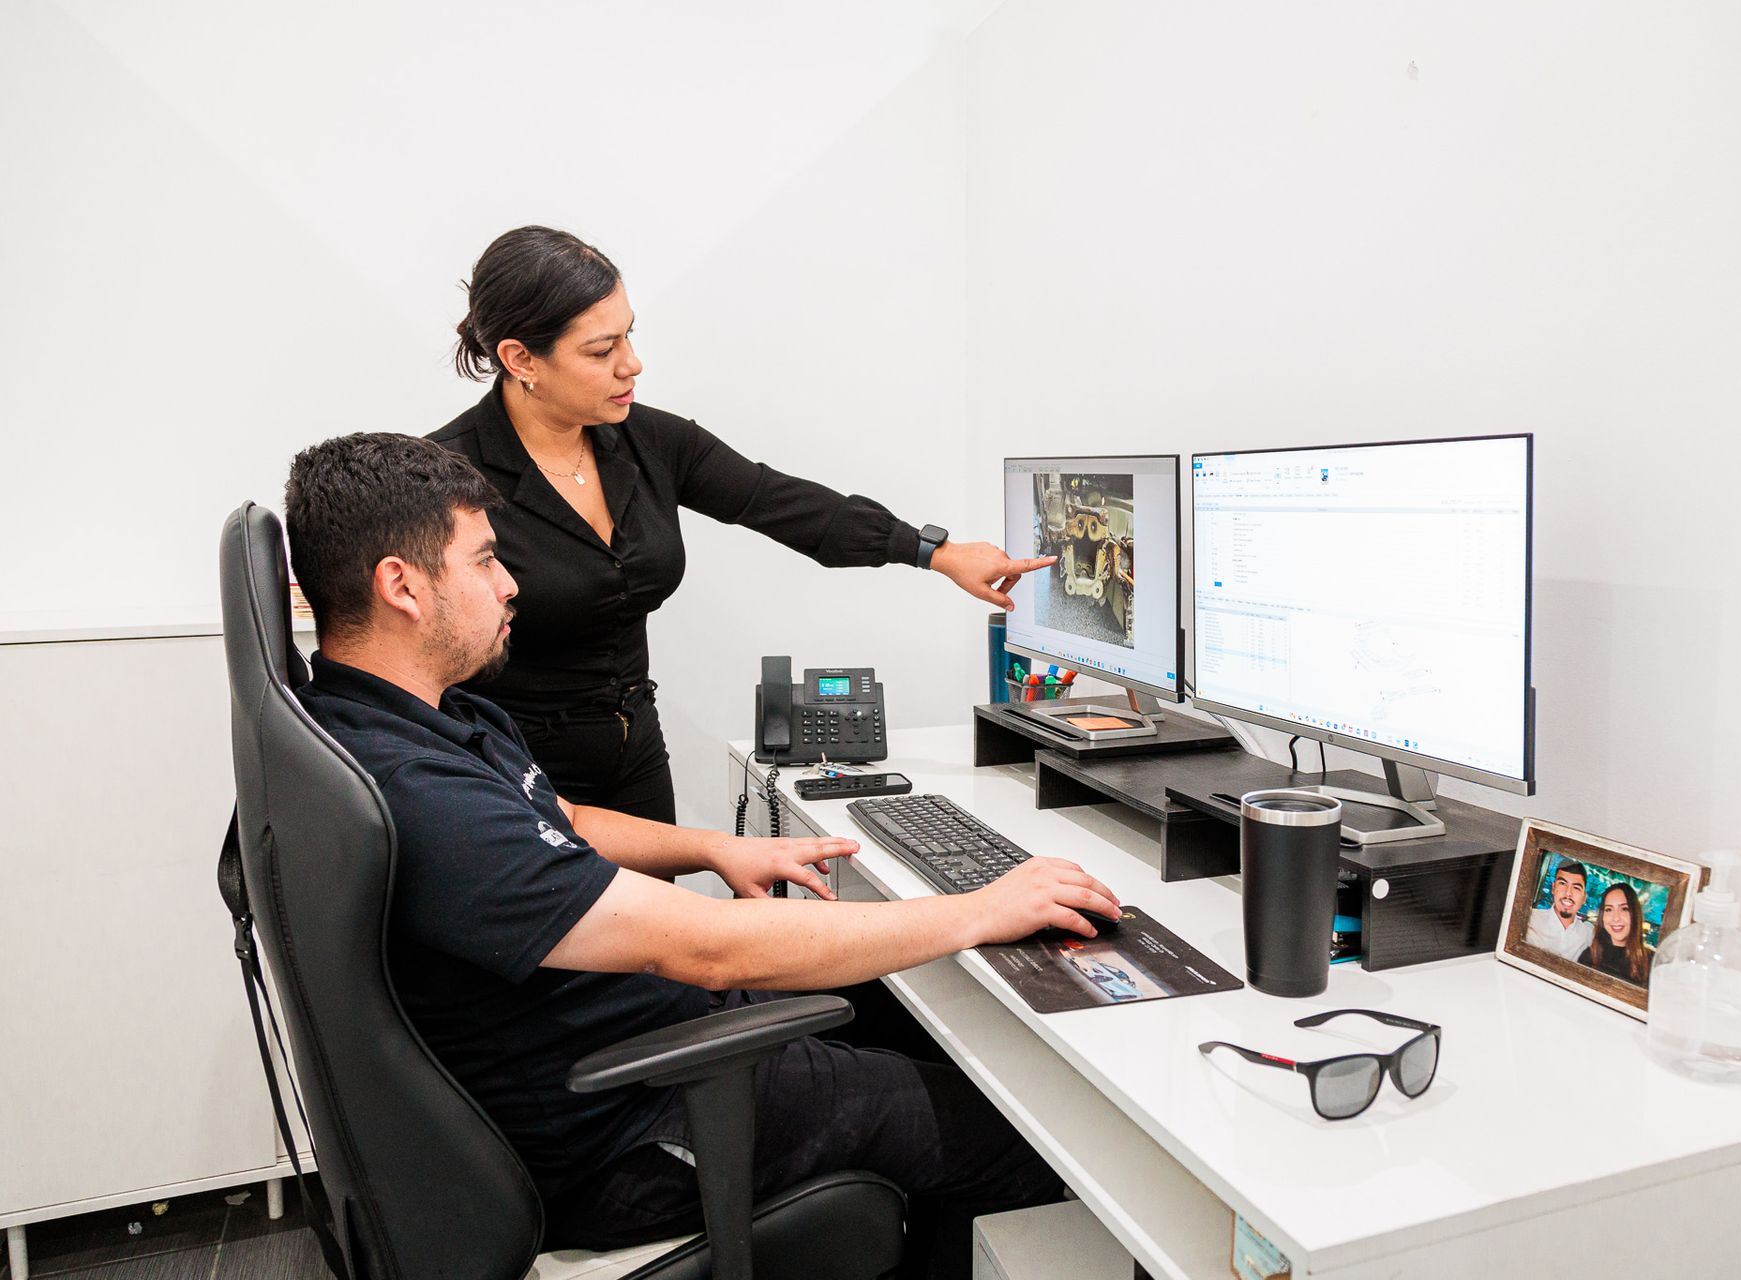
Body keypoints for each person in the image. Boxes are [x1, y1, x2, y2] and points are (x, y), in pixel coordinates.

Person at [283, 432, 1120, 1280]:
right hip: (625, 1133)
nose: (510, 583)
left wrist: (717, 849)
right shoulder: (418, 793)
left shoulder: (414, 720)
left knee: (899, 1014)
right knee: (1012, 1129)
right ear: (402, 586)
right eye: (486, 560)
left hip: (623, 1043)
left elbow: (562, 816)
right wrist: (979, 909)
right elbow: (701, 946)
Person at [428, 225, 1053, 823]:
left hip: (634, 751)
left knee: (658, 932)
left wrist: (934, 553)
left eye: (629, 337)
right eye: (602, 350)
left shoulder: (650, 442)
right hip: (510, 766)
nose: (633, 364)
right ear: (520, 358)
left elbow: (779, 502)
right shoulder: (446, 477)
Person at [1583, 882, 1652, 985]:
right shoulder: (1589, 955)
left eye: (1624, 909)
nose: (1616, 918)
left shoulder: (1651, 961)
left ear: (1635, 914)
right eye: (1609, 909)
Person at [1525, 858, 1594, 959]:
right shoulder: (1529, 918)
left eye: (1576, 888)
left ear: (1584, 898)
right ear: (1553, 888)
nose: (1568, 893)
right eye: (1563, 884)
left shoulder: (1588, 934)